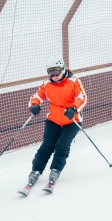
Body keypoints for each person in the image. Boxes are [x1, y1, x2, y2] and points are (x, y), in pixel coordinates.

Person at [26, 56, 87, 187]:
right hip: (53, 120)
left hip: (71, 120)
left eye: (57, 72)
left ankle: (55, 169)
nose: (54, 76)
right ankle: (36, 170)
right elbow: (37, 96)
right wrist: (34, 104)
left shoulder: (74, 81)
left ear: (63, 69)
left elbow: (82, 97)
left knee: (62, 145)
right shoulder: (47, 84)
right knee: (47, 146)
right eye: (51, 73)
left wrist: (74, 108)